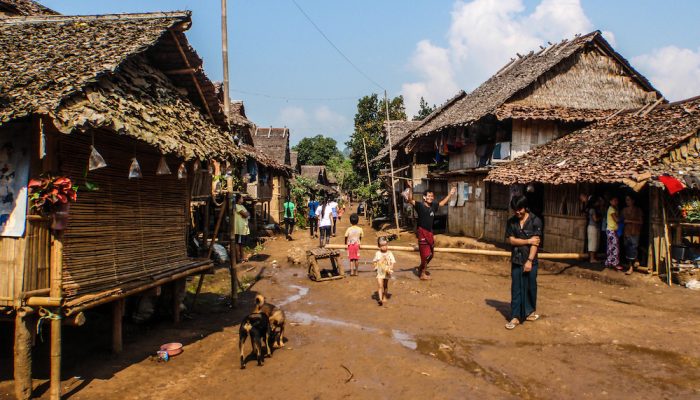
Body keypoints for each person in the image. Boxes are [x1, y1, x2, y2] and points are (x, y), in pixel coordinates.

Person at [504, 195, 542, 330]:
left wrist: (530, 261)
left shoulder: (535, 221)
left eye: (519, 209)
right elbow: (511, 240)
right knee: (516, 288)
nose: (517, 212)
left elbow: (535, 243)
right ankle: (515, 316)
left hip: (530, 259)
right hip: (516, 259)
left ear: (525, 207)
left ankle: (529, 312)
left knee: (531, 287)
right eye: (515, 209)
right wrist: (527, 241)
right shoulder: (511, 222)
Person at [404, 184, 456, 280]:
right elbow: (410, 200)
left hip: (430, 232)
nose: (430, 198)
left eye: (432, 196)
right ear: (424, 197)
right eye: (429, 196)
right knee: (425, 254)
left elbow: (442, 203)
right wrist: (410, 188)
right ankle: (422, 274)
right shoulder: (419, 205)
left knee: (431, 254)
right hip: (422, 231)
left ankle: (421, 267)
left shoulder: (433, 206)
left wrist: (450, 194)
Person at [622, 195, 643, 275]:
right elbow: (621, 221)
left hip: (635, 232)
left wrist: (630, 221)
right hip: (626, 232)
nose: (627, 201)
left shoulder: (638, 210)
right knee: (628, 248)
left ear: (633, 201)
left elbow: (641, 222)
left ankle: (632, 266)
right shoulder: (624, 210)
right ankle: (630, 266)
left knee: (634, 247)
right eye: (626, 200)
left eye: (628, 200)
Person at [373, 237, 395, 306]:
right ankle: (380, 299)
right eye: (382, 246)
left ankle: (384, 296)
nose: (384, 247)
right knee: (380, 285)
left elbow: (393, 262)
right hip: (380, 271)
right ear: (379, 246)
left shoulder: (390, 253)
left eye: (385, 245)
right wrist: (375, 266)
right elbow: (374, 262)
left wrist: (391, 267)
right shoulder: (377, 253)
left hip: (387, 272)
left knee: (385, 285)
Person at [580, 193, 601, 263]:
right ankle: (592, 259)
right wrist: (601, 217)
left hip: (592, 227)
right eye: (598, 201)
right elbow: (595, 219)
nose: (599, 202)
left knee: (594, 242)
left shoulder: (591, 209)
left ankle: (593, 258)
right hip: (592, 227)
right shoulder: (593, 209)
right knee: (593, 243)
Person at [605, 197, 622, 271]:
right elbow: (617, 219)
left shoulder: (612, 209)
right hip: (611, 230)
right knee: (615, 247)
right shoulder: (611, 209)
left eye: (617, 200)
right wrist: (623, 219)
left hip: (610, 230)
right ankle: (615, 264)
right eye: (614, 200)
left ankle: (609, 262)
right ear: (610, 201)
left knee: (610, 247)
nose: (616, 202)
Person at [233, 194, 250, 263]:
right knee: (238, 243)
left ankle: (242, 257)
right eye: (242, 198)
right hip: (239, 228)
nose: (243, 199)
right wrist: (246, 214)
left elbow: (248, 214)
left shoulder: (242, 206)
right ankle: (239, 258)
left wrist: (246, 214)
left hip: (243, 228)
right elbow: (246, 214)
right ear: (238, 199)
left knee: (241, 243)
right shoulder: (237, 206)